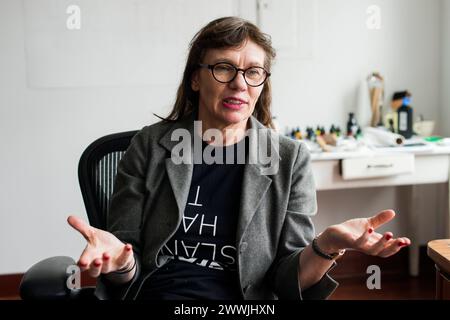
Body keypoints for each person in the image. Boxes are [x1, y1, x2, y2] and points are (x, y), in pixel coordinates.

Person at [67, 16, 410, 300]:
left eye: (253, 72)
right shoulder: (150, 146)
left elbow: (287, 280)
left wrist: (328, 244)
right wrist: (119, 262)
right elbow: (129, 263)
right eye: (223, 68)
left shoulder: (290, 160)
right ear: (196, 79)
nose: (239, 84)